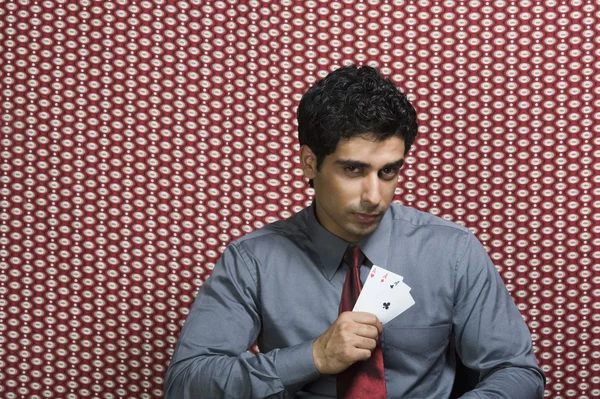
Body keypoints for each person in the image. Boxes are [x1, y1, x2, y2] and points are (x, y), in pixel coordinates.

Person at [164, 65, 546, 398]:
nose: (374, 196)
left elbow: (516, 371)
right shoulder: (253, 260)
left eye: (388, 171)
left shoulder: (453, 252)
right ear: (310, 163)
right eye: (353, 170)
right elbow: (185, 383)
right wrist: (313, 356)